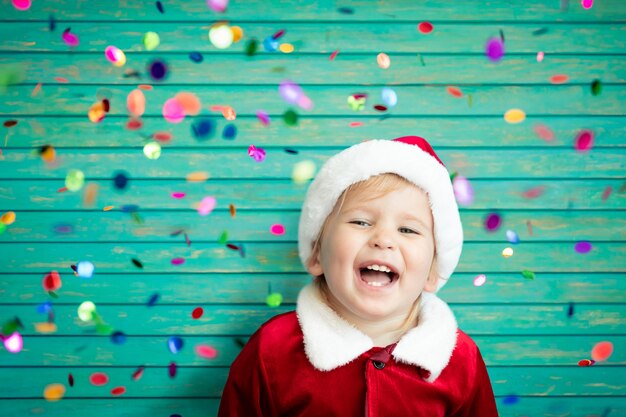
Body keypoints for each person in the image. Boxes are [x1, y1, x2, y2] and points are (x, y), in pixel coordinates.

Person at [218, 136, 499, 416]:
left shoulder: (461, 360)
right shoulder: (272, 350)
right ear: (317, 254)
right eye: (361, 222)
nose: (383, 239)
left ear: (432, 274)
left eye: (408, 230)